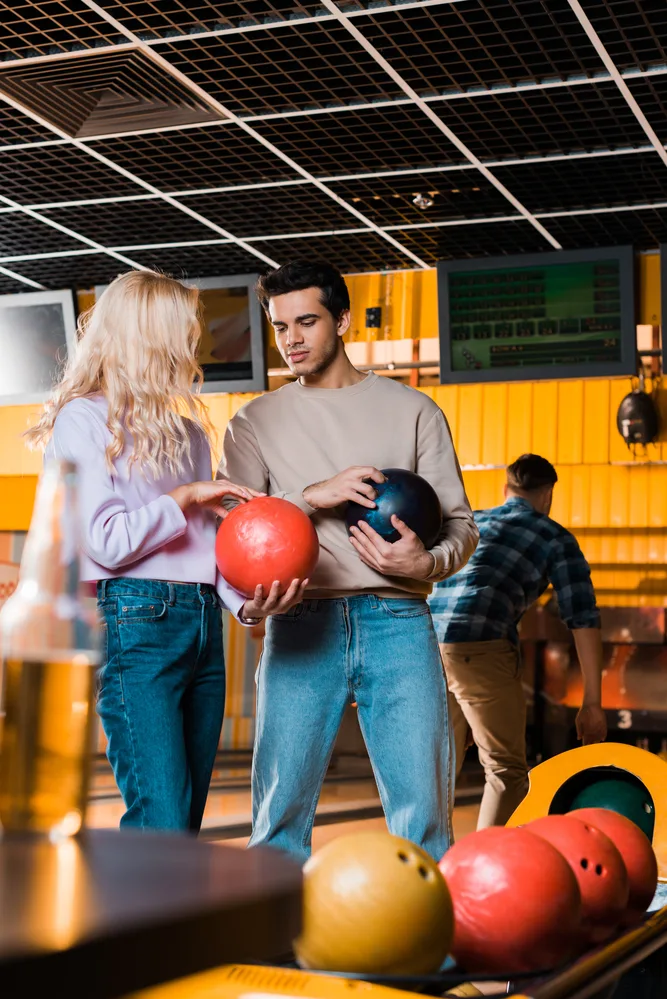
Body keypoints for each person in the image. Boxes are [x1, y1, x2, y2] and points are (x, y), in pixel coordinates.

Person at [26, 270, 306, 833]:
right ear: (143, 333)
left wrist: (246, 604)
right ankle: (133, 921)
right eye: (181, 329)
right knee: (163, 818)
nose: (190, 343)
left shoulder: (188, 434)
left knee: (184, 825)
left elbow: (205, 544)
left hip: (203, 622)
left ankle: (164, 921)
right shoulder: (83, 419)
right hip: (132, 620)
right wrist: (183, 497)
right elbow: (104, 541)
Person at [219, 260, 478, 863]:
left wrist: (424, 562)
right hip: (301, 623)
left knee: (424, 819)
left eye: (306, 321)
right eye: (280, 326)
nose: (292, 340)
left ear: (341, 320)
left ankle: (426, 950)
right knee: (278, 820)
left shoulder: (415, 411)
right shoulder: (253, 422)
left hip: (398, 621)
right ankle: (269, 947)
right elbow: (232, 528)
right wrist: (313, 495)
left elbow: (463, 529)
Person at [429, 453, 608, 830]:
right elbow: (583, 619)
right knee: (506, 771)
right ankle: (486, 871)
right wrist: (592, 702)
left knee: (437, 767)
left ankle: (422, 867)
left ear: (506, 489)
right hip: (480, 647)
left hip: (424, 644)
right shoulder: (555, 537)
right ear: (548, 495)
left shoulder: (471, 520)